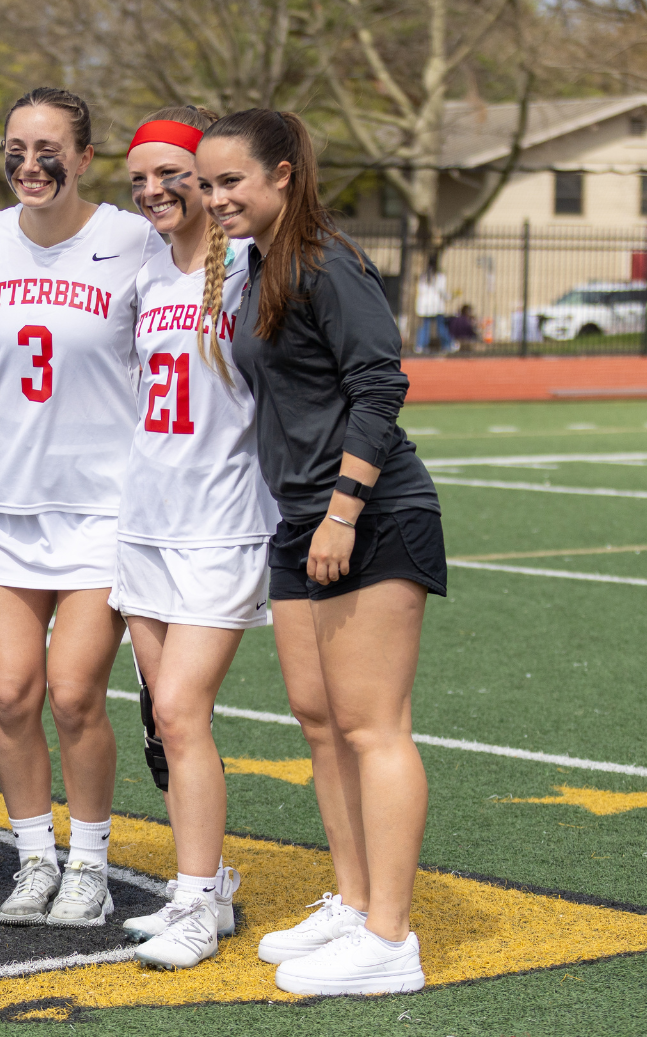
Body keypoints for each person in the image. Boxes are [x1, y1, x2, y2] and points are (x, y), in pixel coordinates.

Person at [200, 108, 445, 996]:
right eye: (207, 182)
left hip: (368, 513)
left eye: (231, 181)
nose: (215, 196)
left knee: (374, 725)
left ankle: (391, 938)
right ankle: (353, 901)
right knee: (319, 718)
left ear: (282, 177)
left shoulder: (324, 261)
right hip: (297, 517)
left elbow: (382, 384)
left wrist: (344, 511)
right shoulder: (254, 263)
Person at [0, 87, 159, 928]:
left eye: (49, 149)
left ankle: (90, 864)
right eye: (16, 146)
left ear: (83, 158)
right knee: (10, 696)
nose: (30, 164)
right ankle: (34, 858)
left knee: (74, 694)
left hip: (98, 511)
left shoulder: (130, 238)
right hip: (6, 504)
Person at [105, 109, 280, 971]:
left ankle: (192, 902)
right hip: (144, 521)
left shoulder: (251, 264)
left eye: (171, 173)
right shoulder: (140, 266)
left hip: (222, 523)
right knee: (165, 724)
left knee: (181, 711)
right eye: (138, 178)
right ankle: (206, 887)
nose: (154, 191)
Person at [412, 260, 450, 353]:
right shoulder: (439, 277)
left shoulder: (423, 277)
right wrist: (449, 297)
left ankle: (420, 345)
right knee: (440, 326)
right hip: (435, 306)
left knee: (424, 326)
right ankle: (447, 344)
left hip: (424, 307)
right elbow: (442, 291)